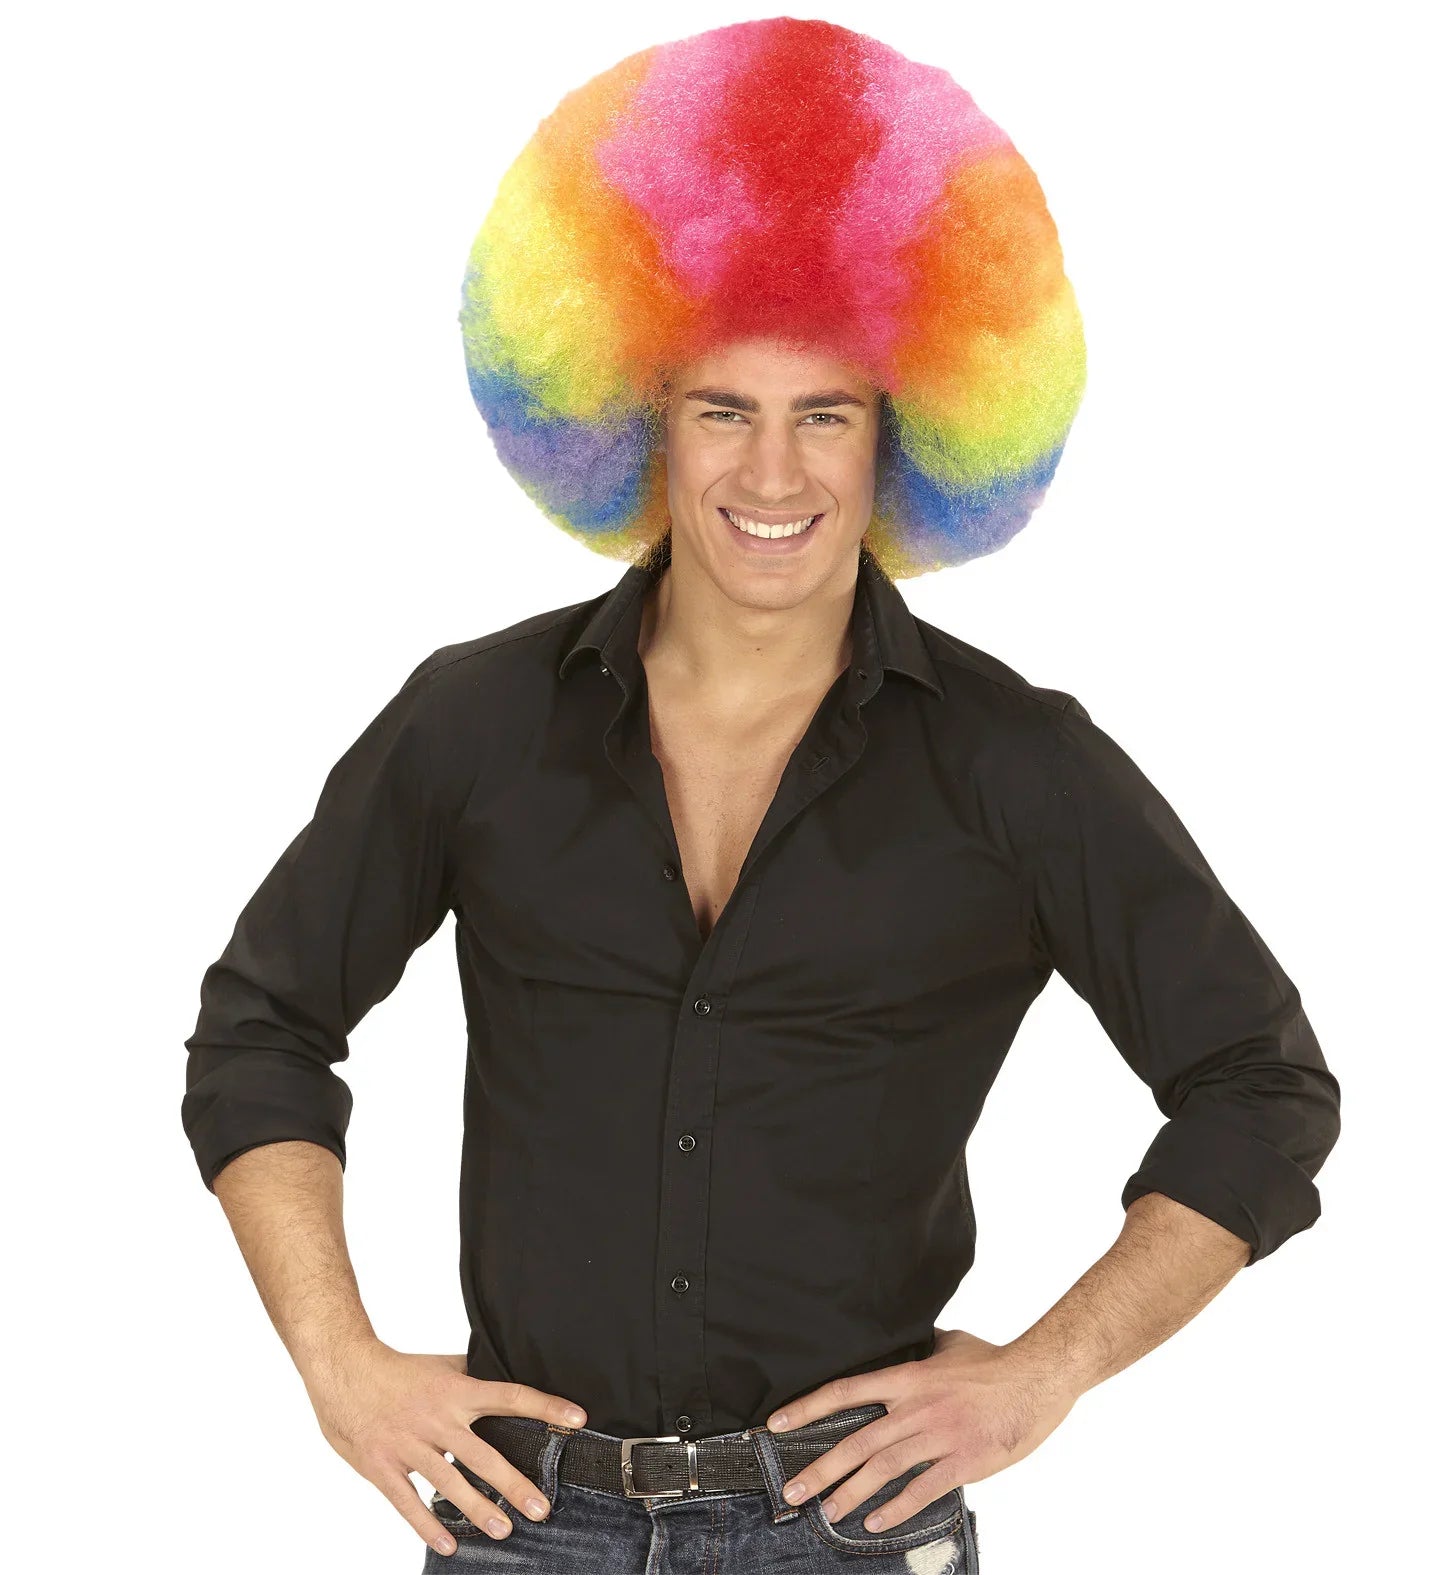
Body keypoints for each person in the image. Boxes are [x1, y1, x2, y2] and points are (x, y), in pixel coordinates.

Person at [181, 18, 1341, 1572]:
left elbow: (1260, 1087)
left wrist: (1044, 1373)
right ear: (639, 422)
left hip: (844, 1524)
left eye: (825, 414)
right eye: (722, 409)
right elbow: (260, 1029)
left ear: (902, 435)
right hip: (526, 1520)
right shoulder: (479, 718)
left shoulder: (1014, 762)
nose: (772, 475)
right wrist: (339, 1368)